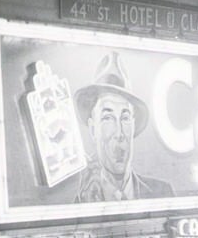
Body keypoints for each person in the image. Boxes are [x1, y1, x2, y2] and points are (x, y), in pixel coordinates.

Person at [73, 52, 174, 202]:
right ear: (93, 129)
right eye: (108, 118)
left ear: (133, 126)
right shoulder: (82, 203)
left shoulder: (162, 193)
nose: (119, 133)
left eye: (125, 118)